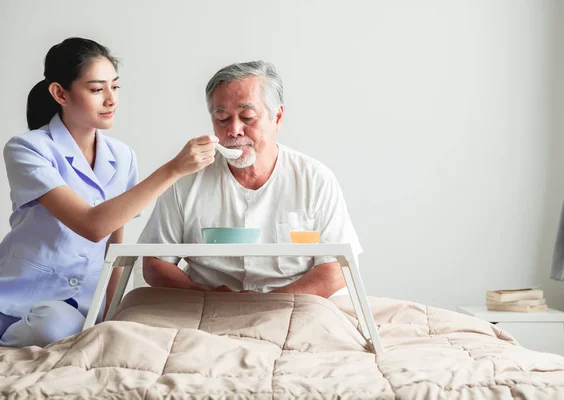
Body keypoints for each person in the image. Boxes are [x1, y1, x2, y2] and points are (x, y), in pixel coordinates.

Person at [0, 37, 217, 347]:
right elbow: (92, 225)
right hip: (17, 291)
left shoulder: (122, 156)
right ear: (60, 93)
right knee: (52, 329)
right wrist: (174, 169)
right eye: (96, 89)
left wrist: (110, 310)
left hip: (76, 307)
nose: (111, 99)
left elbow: (115, 242)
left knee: (60, 327)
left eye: (115, 87)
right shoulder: (28, 148)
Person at [139, 61, 361, 297]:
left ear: (277, 117)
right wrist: (209, 296)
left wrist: (269, 302)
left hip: (295, 304)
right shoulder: (186, 178)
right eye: (222, 119)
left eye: (247, 117)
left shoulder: (315, 179)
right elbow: (154, 263)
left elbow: (338, 269)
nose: (234, 130)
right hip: (205, 303)